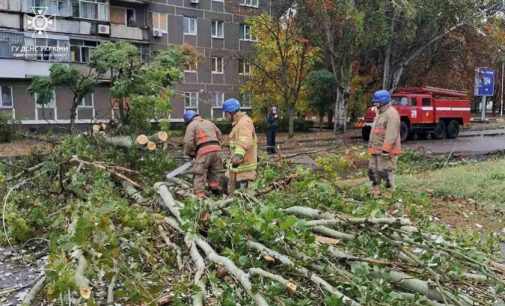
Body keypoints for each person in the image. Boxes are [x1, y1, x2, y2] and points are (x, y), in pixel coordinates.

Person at [183, 110, 224, 199]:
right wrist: (217, 146)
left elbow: (188, 142)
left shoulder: (191, 125)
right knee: (215, 172)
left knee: (199, 173)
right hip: (217, 150)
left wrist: (191, 153)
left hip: (203, 151)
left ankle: (200, 196)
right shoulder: (209, 122)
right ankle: (216, 192)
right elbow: (220, 135)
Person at [367, 90, 401, 197]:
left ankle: (389, 194)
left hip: (386, 151)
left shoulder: (392, 114)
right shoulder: (380, 113)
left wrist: (386, 150)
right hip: (376, 149)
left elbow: (391, 134)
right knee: (373, 171)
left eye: (377, 102)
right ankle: (375, 192)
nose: (375, 104)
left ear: (383, 101)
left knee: (386, 172)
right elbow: (375, 132)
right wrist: (371, 147)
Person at [222, 98, 258, 192]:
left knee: (241, 198)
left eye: (226, 114)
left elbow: (244, 141)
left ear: (231, 112)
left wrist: (237, 156)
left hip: (244, 168)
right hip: (237, 168)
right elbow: (236, 141)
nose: (225, 117)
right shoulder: (238, 123)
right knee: (226, 187)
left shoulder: (244, 122)